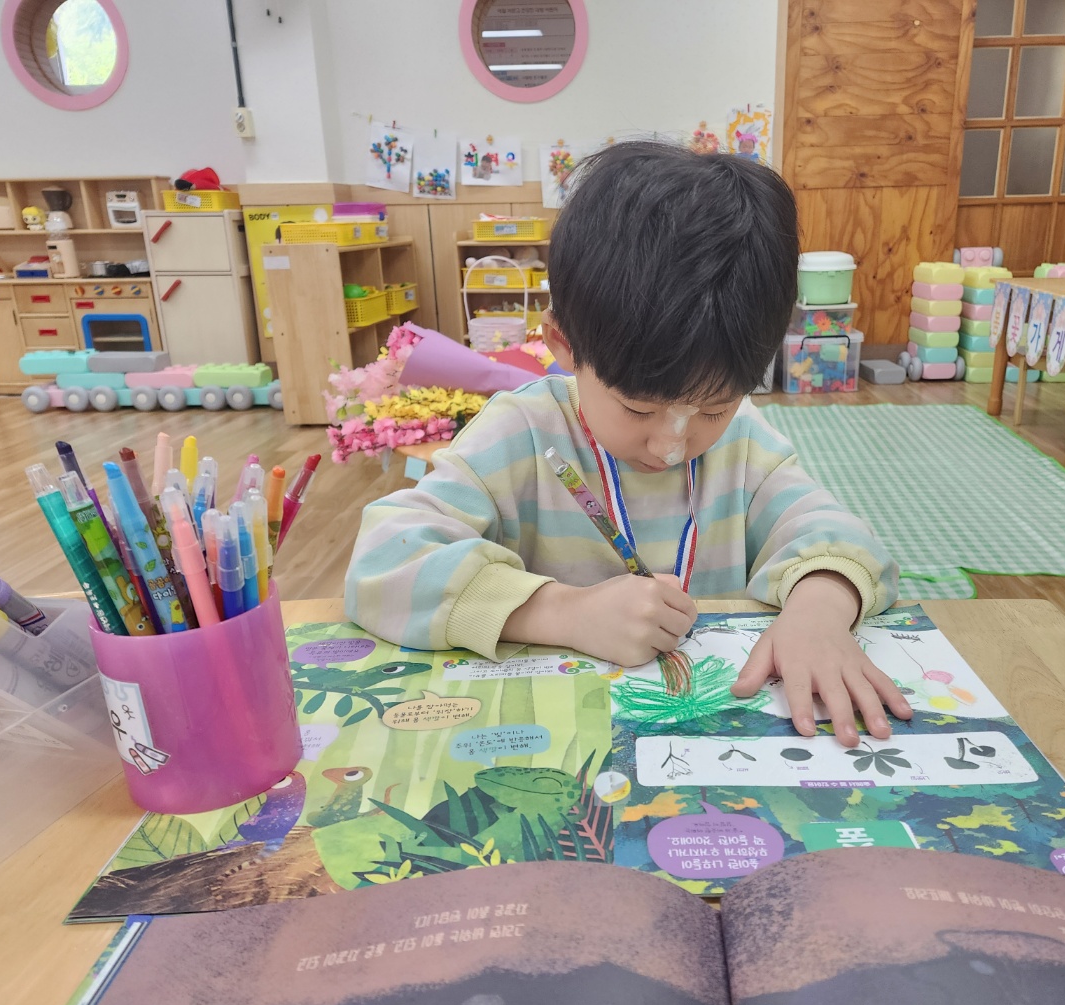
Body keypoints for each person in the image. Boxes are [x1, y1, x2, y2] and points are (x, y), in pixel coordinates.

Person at [345, 141, 910, 745]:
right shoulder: (521, 432)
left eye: (712, 409)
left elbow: (839, 535)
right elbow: (382, 562)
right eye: (639, 408)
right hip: (555, 738)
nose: (671, 445)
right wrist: (561, 612)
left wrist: (818, 612)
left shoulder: (744, 443)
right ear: (563, 346)